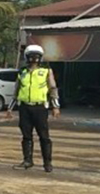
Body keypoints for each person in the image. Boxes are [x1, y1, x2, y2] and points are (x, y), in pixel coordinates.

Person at [6, 44, 60, 172]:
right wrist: (10, 108)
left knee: (44, 136)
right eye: (31, 56)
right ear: (26, 57)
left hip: (40, 108)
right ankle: (27, 160)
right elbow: (17, 90)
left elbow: (52, 89)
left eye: (36, 57)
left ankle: (47, 162)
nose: (34, 59)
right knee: (26, 135)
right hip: (24, 108)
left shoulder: (46, 71)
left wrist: (55, 106)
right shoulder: (22, 72)